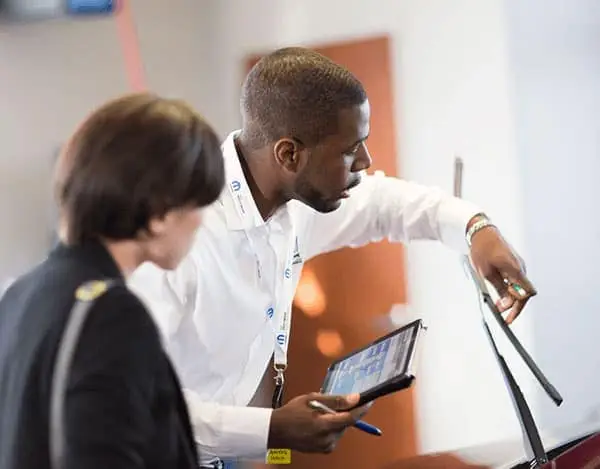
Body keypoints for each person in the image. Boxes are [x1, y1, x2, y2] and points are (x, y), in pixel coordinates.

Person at [129, 47, 537, 468]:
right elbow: (141, 404)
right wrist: (273, 429)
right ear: (289, 154)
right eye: (350, 150)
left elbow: (385, 204)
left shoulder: (291, 199)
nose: (366, 161)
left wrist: (475, 227)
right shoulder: (178, 238)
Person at [0, 93, 226, 469]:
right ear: (158, 213)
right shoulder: (110, 315)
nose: (202, 221)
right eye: (197, 205)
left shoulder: (22, 294)